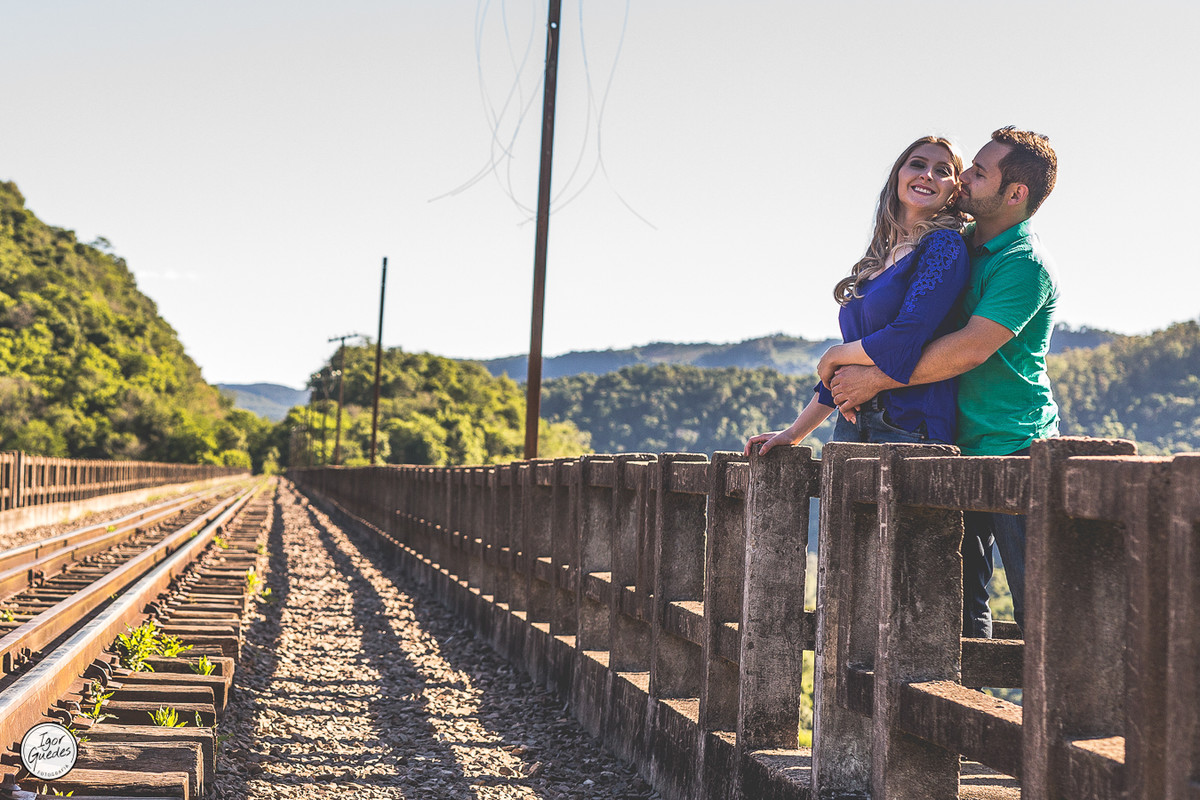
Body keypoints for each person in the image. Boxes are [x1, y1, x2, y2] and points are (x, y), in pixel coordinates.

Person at [826, 126, 1059, 639]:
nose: (965, 178)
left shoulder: (1023, 264)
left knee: (1040, 610)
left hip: (1014, 447)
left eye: (979, 172)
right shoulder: (956, 245)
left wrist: (874, 380)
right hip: (952, 443)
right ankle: (966, 691)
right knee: (958, 609)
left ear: (1015, 193)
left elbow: (968, 349)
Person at [744, 135, 970, 458]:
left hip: (910, 428)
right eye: (917, 165)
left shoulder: (943, 246)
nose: (927, 175)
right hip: (851, 424)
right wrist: (794, 433)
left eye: (942, 171)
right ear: (898, 176)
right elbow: (845, 369)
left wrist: (836, 354)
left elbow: (908, 334)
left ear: (954, 191)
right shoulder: (879, 259)